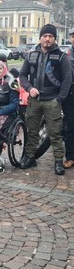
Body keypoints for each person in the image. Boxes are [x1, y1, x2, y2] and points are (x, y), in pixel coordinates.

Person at [19, 24, 72, 175]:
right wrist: (29, 88)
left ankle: (58, 161)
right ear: (40, 38)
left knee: (55, 133)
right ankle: (30, 158)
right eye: (45, 36)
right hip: (34, 100)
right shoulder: (31, 55)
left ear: (55, 38)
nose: (47, 39)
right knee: (32, 131)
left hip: (53, 101)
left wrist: (59, 99)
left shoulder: (62, 57)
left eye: (50, 36)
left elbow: (67, 79)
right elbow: (22, 75)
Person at [62, 26, 74, 168]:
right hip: (70, 95)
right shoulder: (66, 55)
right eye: (73, 36)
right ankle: (70, 157)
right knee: (71, 127)